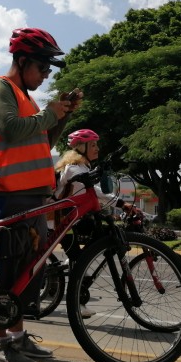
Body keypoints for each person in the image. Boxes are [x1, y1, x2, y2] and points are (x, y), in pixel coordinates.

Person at [0, 27, 81, 362]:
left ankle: (17, 337)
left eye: (49, 70)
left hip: (33, 196)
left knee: (27, 272)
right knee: (6, 270)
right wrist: (50, 113)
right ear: (22, 62)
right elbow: (10, 128)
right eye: (42, 68)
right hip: (8, 194)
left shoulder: (28, 98)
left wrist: (62, 116)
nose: (46, 74)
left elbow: (40, 141)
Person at [54, 129, 116, 319]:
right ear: (82, 147)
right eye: (93, 145)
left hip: (76, 219)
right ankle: (77, 303)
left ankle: (72, 262)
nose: (97, 148)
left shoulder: (84, 167)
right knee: (79, 260)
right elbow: (95, 191)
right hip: (62, 222)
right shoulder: (74, 168)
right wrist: (119, 202)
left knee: (104, 234)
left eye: (97, 144)